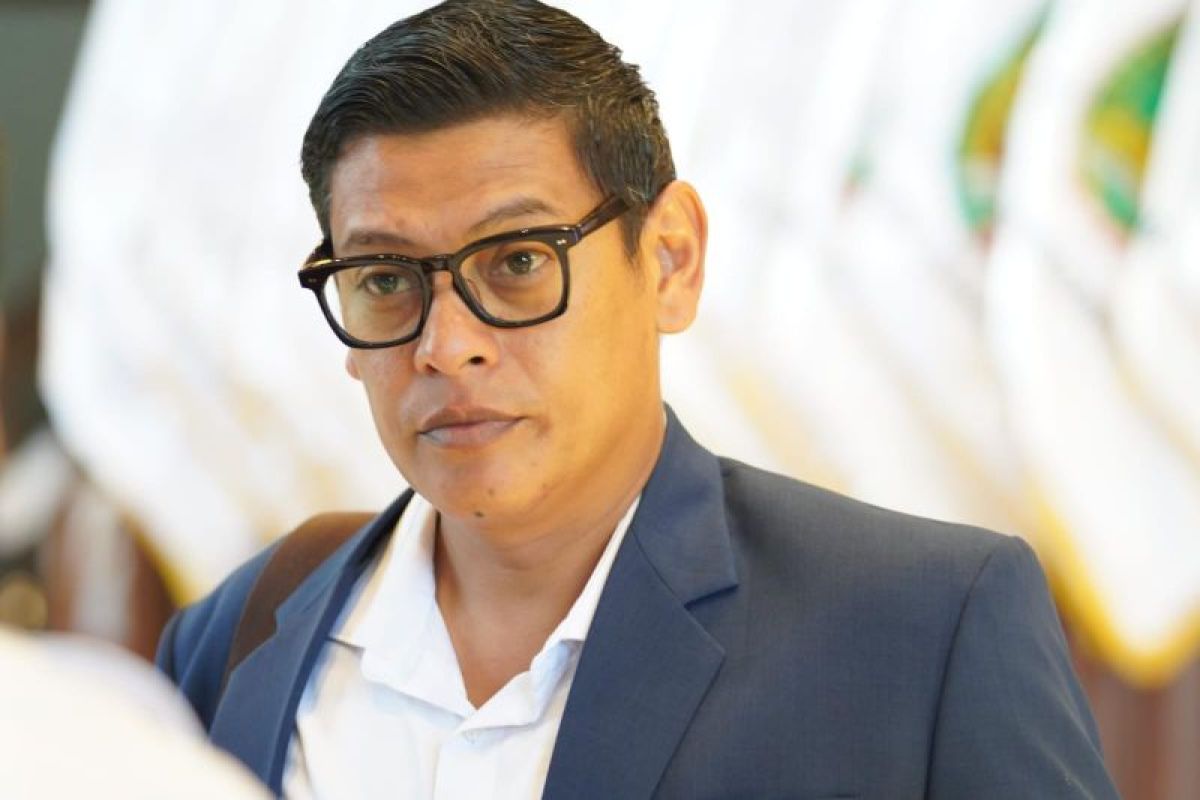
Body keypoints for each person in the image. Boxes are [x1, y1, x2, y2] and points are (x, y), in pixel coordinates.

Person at [157, 1, 1118, 797]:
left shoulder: (922, 632)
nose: (446, 346)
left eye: (518, 262)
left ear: (669, 259)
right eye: (384, 279)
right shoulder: (234, 642)